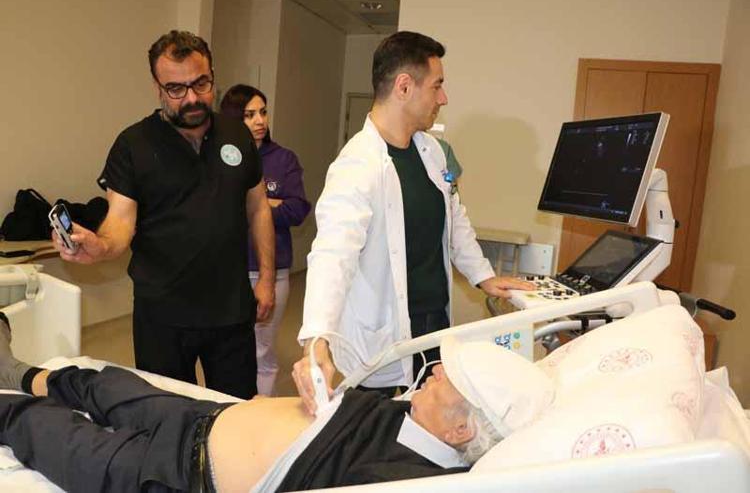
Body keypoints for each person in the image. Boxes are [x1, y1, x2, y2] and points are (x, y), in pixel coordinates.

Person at [0, 314, 553, 492]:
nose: (433, 373)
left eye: (449, 381)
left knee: (40, 431)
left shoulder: (405, 480)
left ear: (461, 431)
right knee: (107, 384)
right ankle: (18, 370)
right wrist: (318, 367)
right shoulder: (409, 411)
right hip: (202, 416)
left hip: (176, 473)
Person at [294, 31, 534, 409]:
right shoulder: (358, 164)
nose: (443, 98)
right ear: (404, 87)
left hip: (433, 323)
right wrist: (316, 339)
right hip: (383, 333)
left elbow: (455, 219)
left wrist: (484, 276)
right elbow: (332, 255)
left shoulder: (431, 151)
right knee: (380, 424)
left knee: (430, 417)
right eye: (437, 85)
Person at [50, 30, 275, 399]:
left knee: (238, 410)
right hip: (163, 316)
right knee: (167, 414)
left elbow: (259, 206)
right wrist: (100, 247)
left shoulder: (237, 134)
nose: (192, 98)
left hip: (231, 309)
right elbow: (120, 223)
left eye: (201, 83)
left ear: (212, 75)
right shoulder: (134, 145)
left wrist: (266, 278)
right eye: (176, 89)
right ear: (157, 87)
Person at [220, 85, 311, 395]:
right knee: (227, 350)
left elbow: (297, 210)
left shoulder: (283, 159)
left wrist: (258, 206)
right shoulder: (220, 156)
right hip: (227, 271)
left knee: (262, 351)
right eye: (249, 115)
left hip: (270, 272)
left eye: (263, 112)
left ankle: (260, 411)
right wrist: (269, 203)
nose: (260, 120)